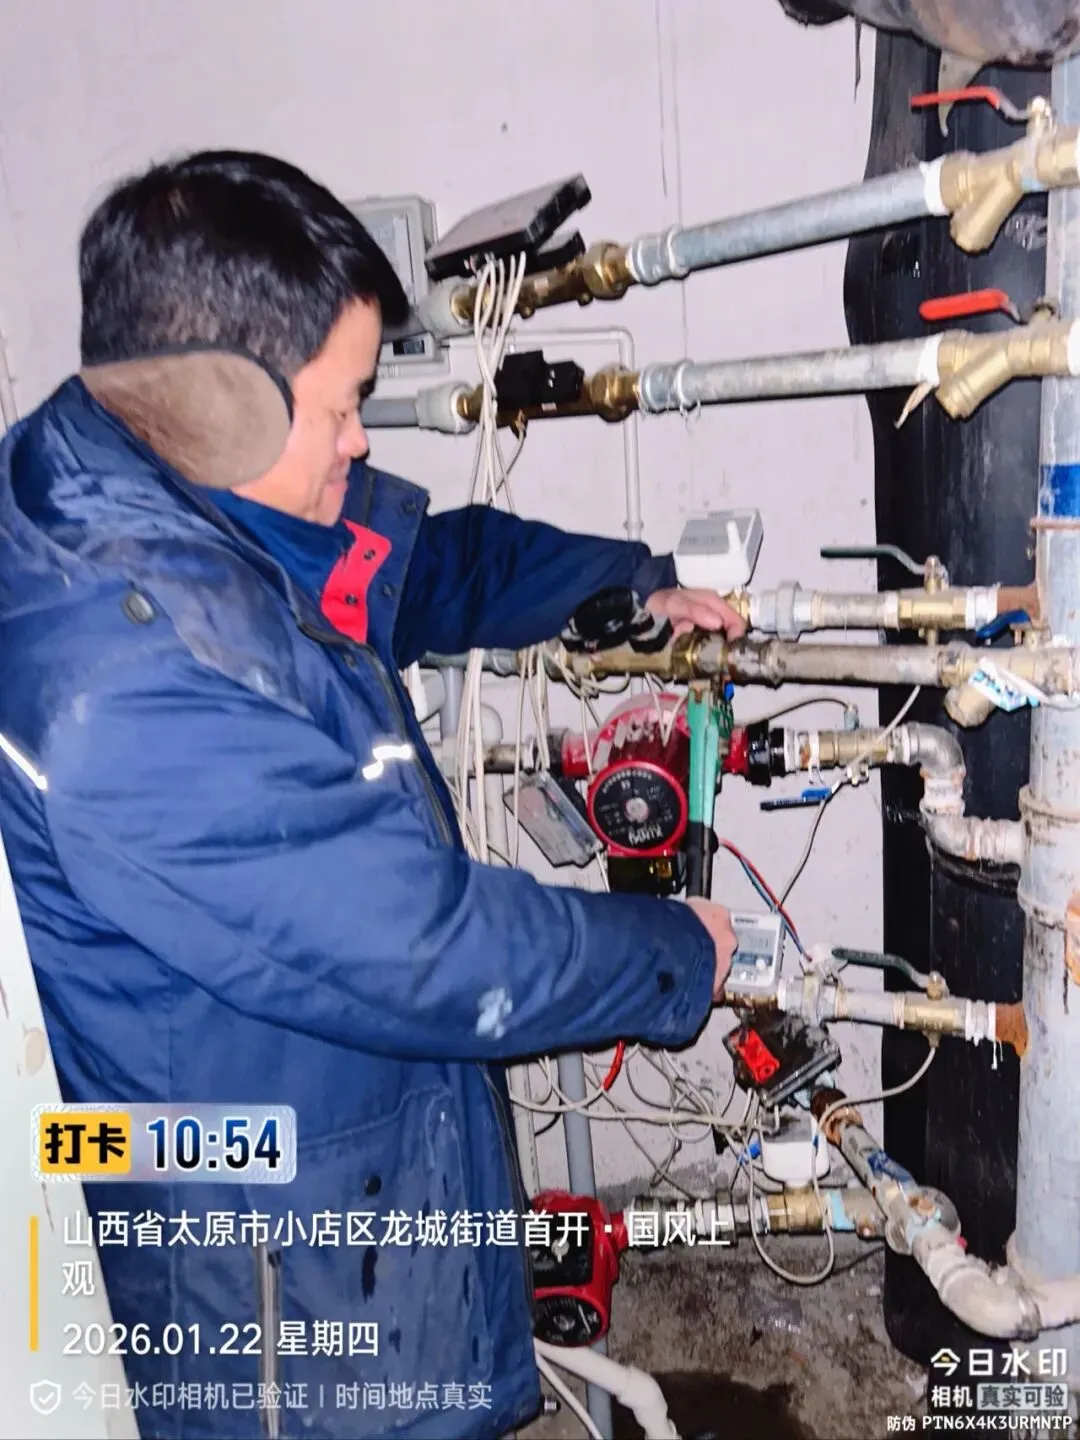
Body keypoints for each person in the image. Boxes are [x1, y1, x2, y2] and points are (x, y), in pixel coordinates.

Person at [0, 151, 744, 1440]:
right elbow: (423, 949)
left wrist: (631, 577)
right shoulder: (127, 683)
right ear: (216, 397)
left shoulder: (156, 479)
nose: (361, 437)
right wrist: (675, 951)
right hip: (261, 1254)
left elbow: (415, 572)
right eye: (342, 405)